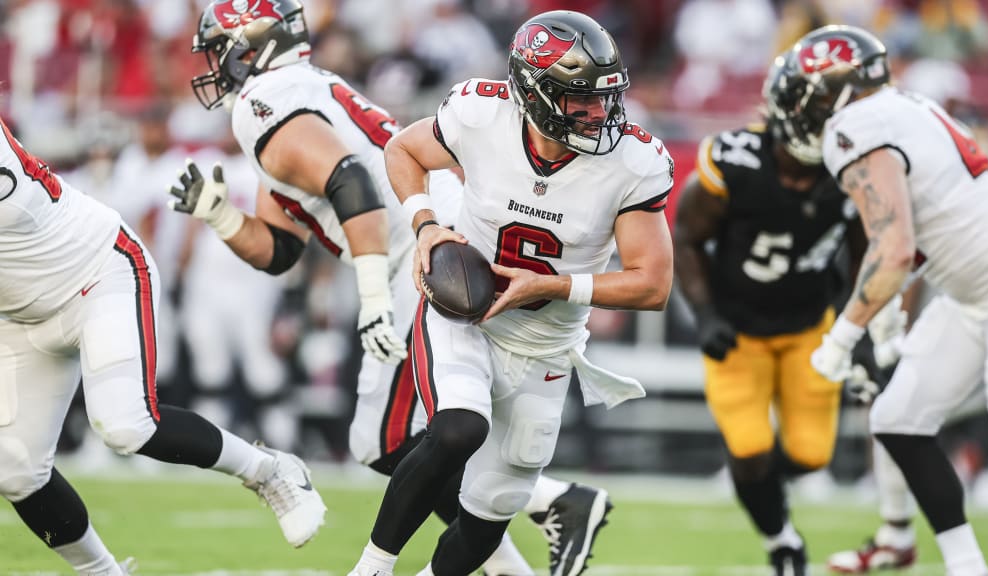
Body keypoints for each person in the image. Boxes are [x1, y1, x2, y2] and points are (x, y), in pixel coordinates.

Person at [177, 3, 616, 575]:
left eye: (222, 47)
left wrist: (374, 299)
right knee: (393, 440)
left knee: (388, 440)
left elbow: (350, 179)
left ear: (253, 46)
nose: (217, 63)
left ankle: (547, 502)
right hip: (428, 238)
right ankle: (524, 541)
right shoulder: (289, 95)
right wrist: (220, 216)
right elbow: (279, 250)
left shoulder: (264, 103)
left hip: (423, 248)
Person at [348, 10, 674, 576]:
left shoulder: (632, 162)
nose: (599, 114)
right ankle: (370, 569)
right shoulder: (482, 114)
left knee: (489, 510)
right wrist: (425, 223)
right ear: (536, 94)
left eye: (604, 97)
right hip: (464, 313)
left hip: (546, 341)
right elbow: (403, 149)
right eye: (580, 100)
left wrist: (547, 285)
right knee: (458, 428)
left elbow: (652, 283)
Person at [0, 121, 326, 575]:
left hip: (96, 277)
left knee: (125, 424)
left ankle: (270, 470)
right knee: (15, 470)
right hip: (19, 314)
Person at [770, 25, 988, 576]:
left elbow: (895, 247)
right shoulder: (899, 106)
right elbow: (918, 233)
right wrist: (883, 314)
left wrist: (842, 337)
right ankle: (966, 566)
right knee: (899, 417)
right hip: (972, 292)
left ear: (832, 90)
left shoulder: (853, 126)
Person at [671, 51, 889, 576]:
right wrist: (703, 315)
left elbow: (866, 251)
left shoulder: (850, 170)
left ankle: (759, 488)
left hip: (808, 326)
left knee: (811, 455)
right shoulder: (736, 159)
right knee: (749, 448)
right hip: (739, 329)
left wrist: (855, 327)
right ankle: (781, 540)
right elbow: (686, 238)